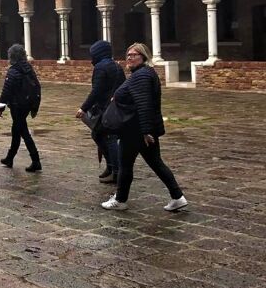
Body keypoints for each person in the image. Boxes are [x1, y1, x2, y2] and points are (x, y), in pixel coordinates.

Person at [101, 42, 188, 212]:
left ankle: (120, 200)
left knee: (126, 164)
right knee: (156, 163)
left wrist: (146, 131)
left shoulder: (141, 76)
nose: (129, 58)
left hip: (135, 131)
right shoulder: (144, 74)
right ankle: (178, 197)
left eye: (134, 55)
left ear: (144, 57)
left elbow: (144, 104)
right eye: (128, 55)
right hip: (142, 129)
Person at [76, 40, 126, 184]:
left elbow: (96, 91)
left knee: (109, 138)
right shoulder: (117, 66)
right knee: (98, 134)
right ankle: (110, 167)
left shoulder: (100, 67)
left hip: (106, 109)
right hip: (115, 107)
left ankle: (116, 171)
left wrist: (84, 108)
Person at [0, 43, 42, 172]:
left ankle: (36, 160)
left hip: (17, 105)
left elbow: (6, 90)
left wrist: (0, 107)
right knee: (16, 130)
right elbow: (37, 87)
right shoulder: (29, 68)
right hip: (27, 104)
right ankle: (10, 158)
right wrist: (34, 106)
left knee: (23, 132)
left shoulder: (13, 71)